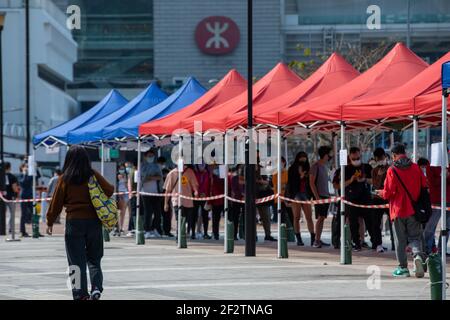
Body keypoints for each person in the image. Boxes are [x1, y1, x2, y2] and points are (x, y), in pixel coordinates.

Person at [46, 145, 114, 300]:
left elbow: (56, 202)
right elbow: (110, 190)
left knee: (75, 262)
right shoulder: (92, 175)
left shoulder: (65, 178)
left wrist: (50, 221)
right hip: (94, 222)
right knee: (94, 258)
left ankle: (80, 295)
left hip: (73, 223)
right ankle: (96, 287)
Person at [376, 143, 427, 278]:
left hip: (397, 210)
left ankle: (403, 267)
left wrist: (381, 193)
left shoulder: (392, 170)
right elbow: (424, 185)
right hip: (413, 209)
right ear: (404, 152)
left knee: (400, 240)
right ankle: (417, 257)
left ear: (393, 155)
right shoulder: (416, 168)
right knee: (415, 237)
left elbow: (388, 192)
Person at [332, 147, 372, 252]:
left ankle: (364, 241)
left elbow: (374, 181)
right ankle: (344, 241)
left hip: (363, 199)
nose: (356, 160)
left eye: (358, 158)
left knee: (365, 220)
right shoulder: (343, 169)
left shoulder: (366, 167)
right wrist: (351, 180)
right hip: (347, 200)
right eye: (354, 158)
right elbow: (337, 185)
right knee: (346, 221)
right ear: (349, 157)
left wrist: (364, 180)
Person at [163, 164, 199, 241]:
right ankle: (179, 236)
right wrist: (165, 203)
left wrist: (196, 191)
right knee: (179, 218)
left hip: (188, 201)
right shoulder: (172, 173)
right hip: (176, 200)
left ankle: (184, 233)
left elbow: (194, 185)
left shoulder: (190, 172)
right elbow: (168, 190)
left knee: (186, 219)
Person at [423, 158, 450, 255]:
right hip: (436, 200)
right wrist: (442, 176)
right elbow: (432, 182)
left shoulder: (448, 165)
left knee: (447, 227)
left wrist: (447, 176)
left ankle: (441, 250)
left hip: (448, 200)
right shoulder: (431, 166)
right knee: (431, 226)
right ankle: (427, 248)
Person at [287, 152, 314, 246]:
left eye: (305, 157)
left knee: (309, 217)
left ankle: (313, 237)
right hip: (296, 194)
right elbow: (290, 183)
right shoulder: (292, 169)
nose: (303, 159)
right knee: (296, 217)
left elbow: (311, 182)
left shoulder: (308, 168)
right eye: (301, 157)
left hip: (305, 194)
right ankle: (298, 238)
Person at [309, 146, 333, 248]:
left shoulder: (325, 166)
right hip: (320, 196)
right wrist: (317, 197)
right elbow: (311, 183)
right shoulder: (316, 166)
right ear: (325, 154)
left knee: (322, 218)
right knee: (320, 218)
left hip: (326, 195)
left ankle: (318, 239)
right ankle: (316, 240)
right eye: (329, 154)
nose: (330, 156)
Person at [370, 148, 391, 253]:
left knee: (393, 221)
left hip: (388, 198)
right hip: (377, 199)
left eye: (382, 158)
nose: (380, 160)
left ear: (385, 157)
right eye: (378, 159)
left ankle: (395, 243)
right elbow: (375, 186)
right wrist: (379, 174)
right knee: (376, 222)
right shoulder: (374, 170)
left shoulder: (390, 169)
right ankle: (378, 244)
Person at [140, 149, 163, 239]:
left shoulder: (156, 166)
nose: (151, 158)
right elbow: (143, 178)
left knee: (158, 213)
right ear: (145, 157)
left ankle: (154, 228)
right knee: (148, 212)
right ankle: (147, 230)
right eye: (149, 156)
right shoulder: (142, 166)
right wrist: (152, 177)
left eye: (152, 156)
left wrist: (150, 177)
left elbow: (159, 177)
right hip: (145, 193)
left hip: (155, 192)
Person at [193, 164, 212, 239]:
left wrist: (206, 194)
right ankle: (193, 233)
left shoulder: (207, 173)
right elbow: (194, 184)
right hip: (196, 197)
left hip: (205, 197)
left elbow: (209, 185)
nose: (202, 167)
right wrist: (197, 192)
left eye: (203, 165)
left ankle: (205, 233)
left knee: (205, 215)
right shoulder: (195, 173)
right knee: (194, 215)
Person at [157, 156, 173, 237]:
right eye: (160, 163)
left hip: (165, 193)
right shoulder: (156, 171)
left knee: (166, 213)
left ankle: (166, 230)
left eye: (162, 163)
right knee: (158, 214)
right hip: (158, 194)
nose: (162, 165)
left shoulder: (167, 171)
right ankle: (159, 230)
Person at [230, 165, 245, 240]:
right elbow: (233, 189)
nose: (241, 170)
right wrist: (241, 194)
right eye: (240, 169)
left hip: (245, 200)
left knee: (246, 217)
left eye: (242, 169)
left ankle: (245, 234)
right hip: (236, 200)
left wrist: (245, 195)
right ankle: (234, 234)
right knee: (235, 217)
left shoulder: (246, 178)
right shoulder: (234, 179)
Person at [209, 164, 224, 240]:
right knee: (216, 217)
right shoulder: (221, 170)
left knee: (215, 218)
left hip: (218, 198)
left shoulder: (213, 174)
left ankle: (215, 233)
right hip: (218, 198)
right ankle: (215, 233)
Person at [4, 162, 19, 234]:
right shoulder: (12, 176)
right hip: (10, 197)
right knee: (11, 214)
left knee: (2, 213)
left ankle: (2, 228)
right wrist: (16, 195)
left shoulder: (1, 176)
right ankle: (10, 229)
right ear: (9, 167)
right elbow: (15, 188)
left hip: (2, 197)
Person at [114, 164, 129, 236]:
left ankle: (122, 227)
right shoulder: (116, 176)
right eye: (120, 168)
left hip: (126, 193)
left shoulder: (126, 175)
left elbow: (127, 185)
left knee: (123, 212)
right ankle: (118, 227)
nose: (122, 170)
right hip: (119, 194)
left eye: (123, 168)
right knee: (118, 211)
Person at [19, 163, 33, 237]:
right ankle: (22, 231)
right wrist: (24, 173)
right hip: (24, 196)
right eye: (25, 167)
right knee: (23, 214)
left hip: (30, 195)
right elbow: (23, 183)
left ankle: (35, 230)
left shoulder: (30, 175)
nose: (27, 168)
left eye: (27, 167)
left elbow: (36, 177)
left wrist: (35, 168)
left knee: (34, 212)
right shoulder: (21, 175)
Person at [126, 162, 137, 237]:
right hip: (134, 195)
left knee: (133, 212)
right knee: (133, 212)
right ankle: (131, 228)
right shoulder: (134, 172)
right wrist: (133, 193)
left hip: (132, 194)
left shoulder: (131, 172)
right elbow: (133, 183)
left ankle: (131, 228)